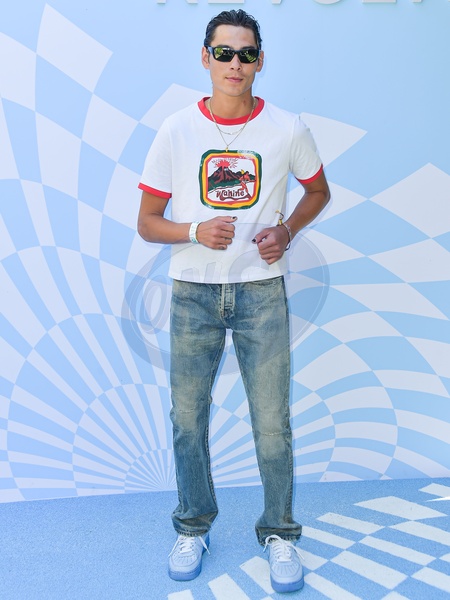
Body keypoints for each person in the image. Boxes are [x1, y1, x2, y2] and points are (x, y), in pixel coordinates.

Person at [137, 9, 330, 594]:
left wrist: (287, 230)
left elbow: (318, 191)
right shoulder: (176, 130)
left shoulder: (287, 128)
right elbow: (147, 222)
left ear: (260, 61)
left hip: (261, 293)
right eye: (224, 53)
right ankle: (193, 525)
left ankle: (280, 533)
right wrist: (195, 230)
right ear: (206, 58)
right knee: (187, 418)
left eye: (246, 54)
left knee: (272, 421)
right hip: (192, 293)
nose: (235, 64)